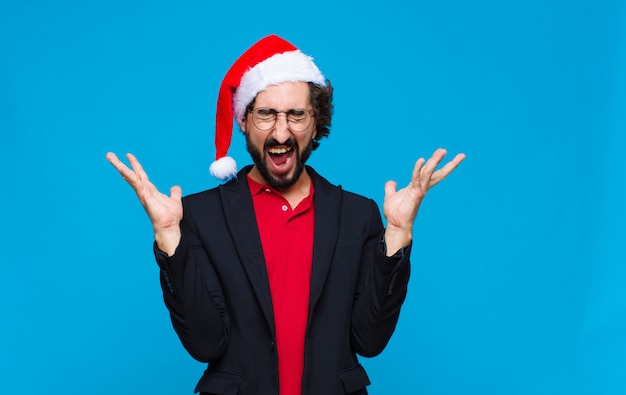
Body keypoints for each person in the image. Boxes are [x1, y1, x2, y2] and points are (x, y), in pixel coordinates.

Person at [106, 35, 465, 395]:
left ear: (316, 122)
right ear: (244, 121)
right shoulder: (201, 215)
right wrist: (169, 235)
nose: (281, 131)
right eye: (266, 114)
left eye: (296, 114)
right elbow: (205, 344)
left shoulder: (357, 216)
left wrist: (398, 234)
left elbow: (369, 340)